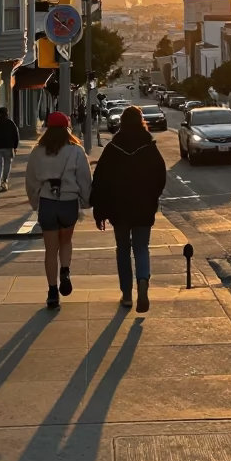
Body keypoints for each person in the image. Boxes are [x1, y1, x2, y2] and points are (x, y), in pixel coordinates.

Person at [91, 105, 166, 312]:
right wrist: (152, 197)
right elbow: (160, 176)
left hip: (119, 209)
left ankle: (126, 295)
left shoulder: (113, 148)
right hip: (143, 207)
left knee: (122, 250)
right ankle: (143, 280)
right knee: (141, 248)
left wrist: (100, 211)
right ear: (141, 121)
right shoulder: (149, 147)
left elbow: (100, 181)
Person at [25, 112, 91, 309]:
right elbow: (85, 180)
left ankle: (52, 291)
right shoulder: (76, 151)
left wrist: (35, 202)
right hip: (68, 202)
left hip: (47, 202)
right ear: (67, 128)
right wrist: (86, 201)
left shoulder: (38, 151)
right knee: (66, 241)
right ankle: (65, 270)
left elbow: (30, 180)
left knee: (50, 250)